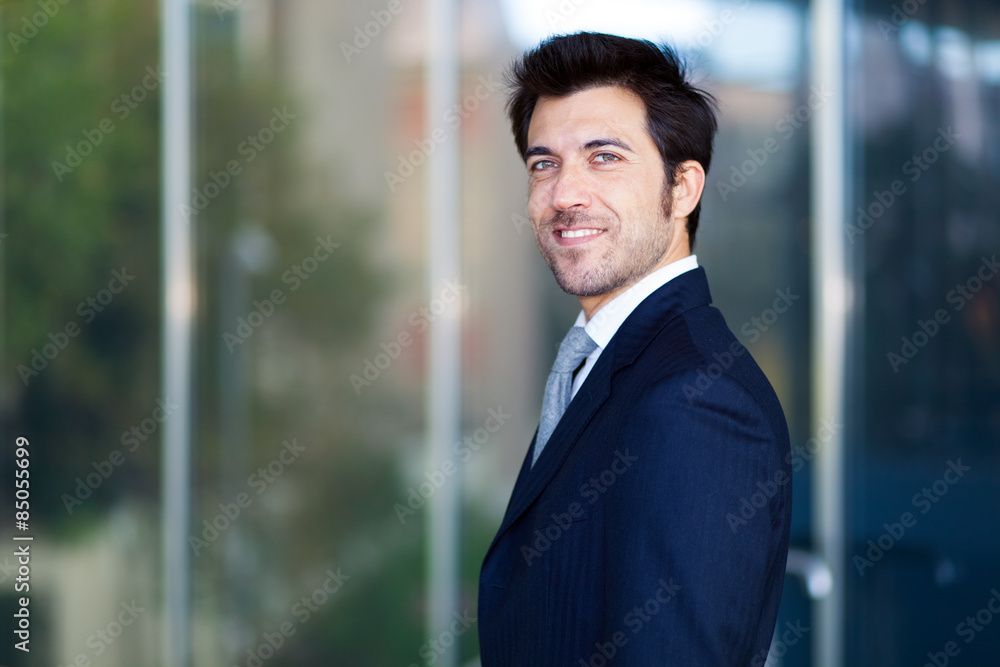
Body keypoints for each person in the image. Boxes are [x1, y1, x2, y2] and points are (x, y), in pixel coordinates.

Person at [477, 32, 792, 665]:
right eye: (544, 164)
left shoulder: (699, 403)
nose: (564, 195)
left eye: (604, 157)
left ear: (683, 189)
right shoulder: (608, 362)